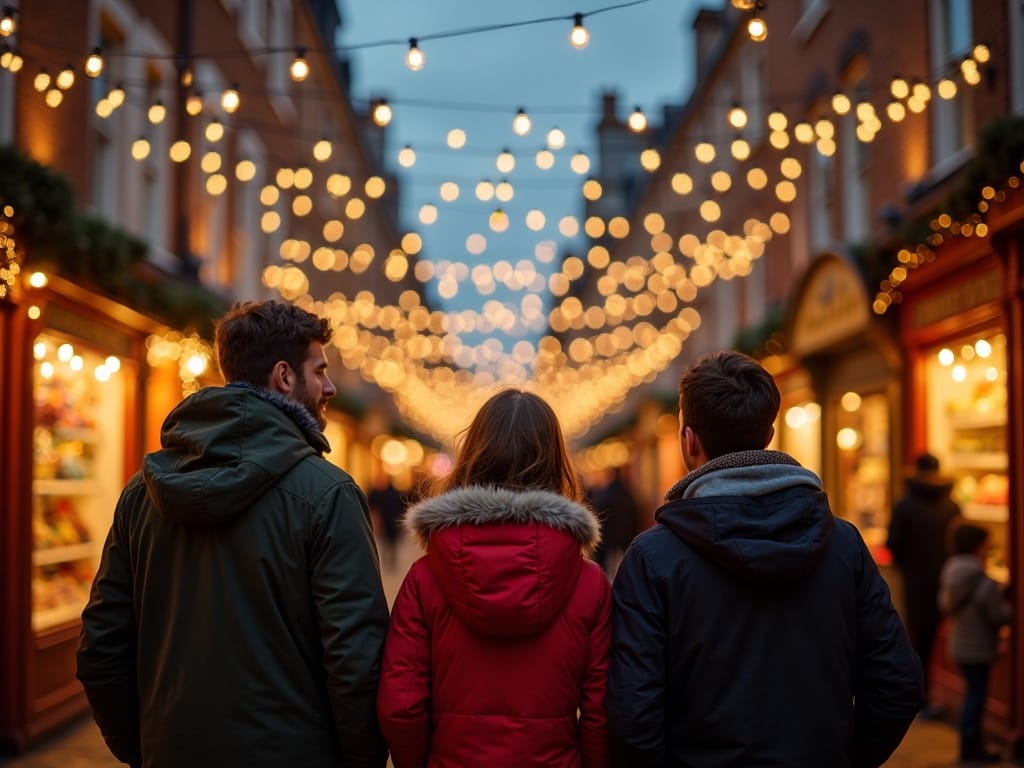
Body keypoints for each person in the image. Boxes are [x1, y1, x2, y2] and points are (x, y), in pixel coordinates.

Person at [77, 300, 390, 768]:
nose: (329, 387)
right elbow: (356, 664)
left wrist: (144, 747)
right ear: (284, 376)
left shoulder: (140, 494)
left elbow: (102, 647)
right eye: (320, 370)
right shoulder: (329, 495)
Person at [607, 351, 924, 768]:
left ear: (689, 441)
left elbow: (633, 715)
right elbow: (897, 684)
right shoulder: (844, 544)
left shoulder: (653, 558)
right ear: (769, 433)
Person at [377, 389, 610, 768]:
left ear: (473, 456)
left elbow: (400, 704)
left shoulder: (425, 578)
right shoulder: (590, 583)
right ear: (555, 463)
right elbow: (602, 710)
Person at [887, 452, 961, 718]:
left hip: (915, 580)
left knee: (917, 639)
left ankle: (919, 696)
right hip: (947, 579)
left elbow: (894, 544)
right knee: (939, 637)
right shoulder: (951, 505)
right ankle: (930, 696)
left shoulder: (905, 505)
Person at [938, 523, 1013, 763]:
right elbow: (998, 616)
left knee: (971, 694)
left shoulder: (951, 571)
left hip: (959, 644)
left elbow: (944, 605)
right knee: (975, 697)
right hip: (978, 647)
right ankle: (971, 746)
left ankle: (969, 743)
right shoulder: (981, 580)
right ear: (979, 546)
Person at [591, 465, 640, 578]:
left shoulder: (606, 493)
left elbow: (600, 514)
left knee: (606, 565)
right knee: (627, 562)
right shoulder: (627, 493)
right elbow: (635, 514)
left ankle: (606, 580)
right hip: (626, 534)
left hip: (610, 535)